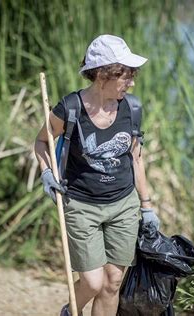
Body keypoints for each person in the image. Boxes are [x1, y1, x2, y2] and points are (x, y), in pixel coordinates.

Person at [34, 34, 159, 316]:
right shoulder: (70, 108)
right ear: (103, 74)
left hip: (122, 205)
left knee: (113, 282)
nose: (132, 83)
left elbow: (136, 159)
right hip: (82, 205)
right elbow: (41, 141)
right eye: (126, 76)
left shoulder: (132, 108)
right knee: (92, 282)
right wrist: (46, 172)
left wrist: (147, 206)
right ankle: (70, 312)